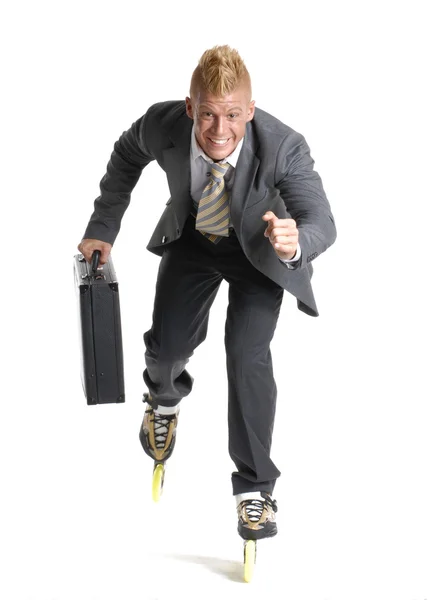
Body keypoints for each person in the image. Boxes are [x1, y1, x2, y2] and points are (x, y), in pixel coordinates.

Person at [78, 45, 337, 541]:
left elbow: (321, 219)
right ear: (191, 106)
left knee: (247, 356)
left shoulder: (283, 145)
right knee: (166, 349)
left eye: (234, 115)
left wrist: (295, 242)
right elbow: (126, 156)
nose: (220, 131)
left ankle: (256, 489)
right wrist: (102, 227)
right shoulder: (163, 124)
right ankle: (164, 401)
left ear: (251, 111)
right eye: (209, 114)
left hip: (259, 252)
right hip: (194, 239)